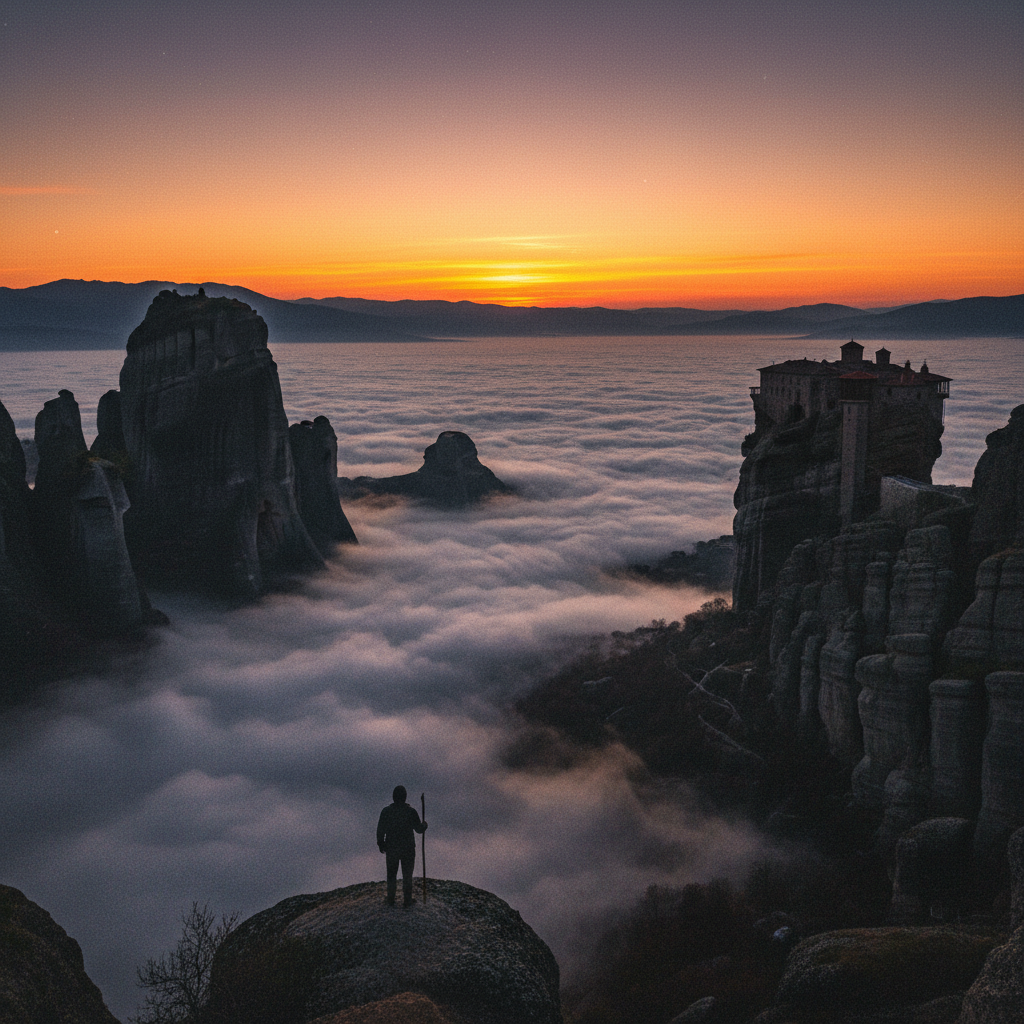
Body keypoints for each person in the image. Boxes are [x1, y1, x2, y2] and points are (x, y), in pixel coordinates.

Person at [376, 785, 428, 907]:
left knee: (391, 875)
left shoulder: (386, 812)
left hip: (392, 848)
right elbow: (419, 829)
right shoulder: (411, 812)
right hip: (408, 849)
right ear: (405, 797)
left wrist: (381, 843)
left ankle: (390, 899)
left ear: (393, 797)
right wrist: (424, 825)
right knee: (407, 875)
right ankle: (407, 900)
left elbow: (380, 830)